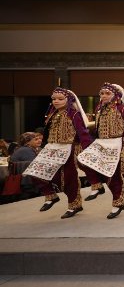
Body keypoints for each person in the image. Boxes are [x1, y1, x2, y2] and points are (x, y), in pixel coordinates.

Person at [22, 89, 92, 217]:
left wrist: (87, 148)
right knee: (34, 171)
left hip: (67, 148)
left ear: (68, 100)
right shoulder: (52, 114)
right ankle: (50, 195)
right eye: (54, 99)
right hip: (51, 147)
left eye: (60, 99)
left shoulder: (74, 114)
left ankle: (74, 204)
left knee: (68, 178)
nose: (56, 101)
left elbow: (82, 132)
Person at [77, 83, 124, 219]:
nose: (104, 96)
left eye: (107, 93)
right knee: (83, 160)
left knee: (112, 174)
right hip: (101, 143)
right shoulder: (99, 108)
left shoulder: (122, 108)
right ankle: (97, 185)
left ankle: (118, 202)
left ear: (115, 95)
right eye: (102, 93)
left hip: (116, 143)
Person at [10, 132, 43, 197]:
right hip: (25, 183)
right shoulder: (26, 150)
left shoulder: (27, 149)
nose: (40, 140)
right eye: (36, 139)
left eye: (39, 138)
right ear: (27, 142)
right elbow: (36, 166)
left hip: (24, 180)